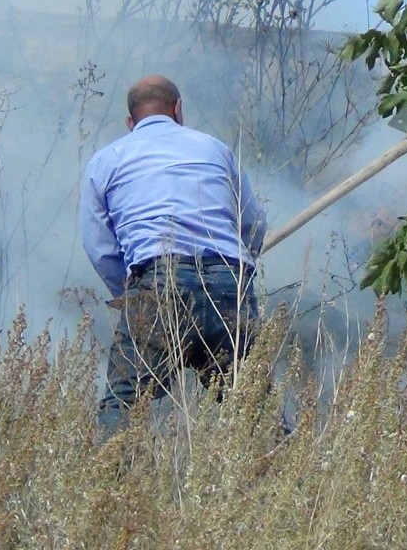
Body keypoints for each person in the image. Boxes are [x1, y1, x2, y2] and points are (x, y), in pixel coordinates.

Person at [80, 75, 267, 430]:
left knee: (123, 404)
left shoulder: (106, 161)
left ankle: (109, 481)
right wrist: (237, 271)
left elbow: (100, 248)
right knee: (254, 411)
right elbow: (253, 224)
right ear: (178, 109)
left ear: (130, 123)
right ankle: (288, 481)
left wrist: (130, 296)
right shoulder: (214, 149)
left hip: (157, 285)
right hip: (229, 285)